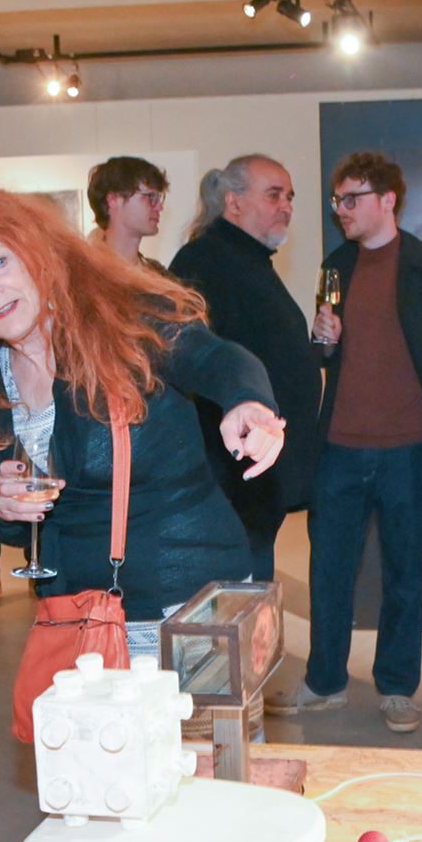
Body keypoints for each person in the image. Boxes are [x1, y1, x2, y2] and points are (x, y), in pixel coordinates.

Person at [0, 186, 284, 662]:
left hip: (188, 608)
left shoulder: (120, 319)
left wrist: (247, 401)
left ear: (37, 252)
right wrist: (5, 507)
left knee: (196, 716)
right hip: (80, 622)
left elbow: (213, 357)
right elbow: (6, 525)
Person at [267, 151, 422, 736]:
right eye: (337, 200)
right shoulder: (336, 265)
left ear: (387, 200)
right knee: (329, 574)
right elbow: (324, 353)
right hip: (338, 448)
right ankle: (325, 681)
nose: (340, 210)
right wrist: (323, 338)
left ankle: (396, 688)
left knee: (403, 577)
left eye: (352, 198)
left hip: (409, 450)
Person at [168, 154, 321, 580]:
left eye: (289, 197)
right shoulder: (202, 262)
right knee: (236, 594)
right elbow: (188, 362)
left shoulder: (249, 260)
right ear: (233, 202)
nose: (286, 206)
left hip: (257, 479)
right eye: (273, 195)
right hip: (229, 478)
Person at [86, 155, 169, 267]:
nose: (159, 207)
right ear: (113, 200)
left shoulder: (157, 272)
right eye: (150, 197)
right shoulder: (85, 273)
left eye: (159, 198)